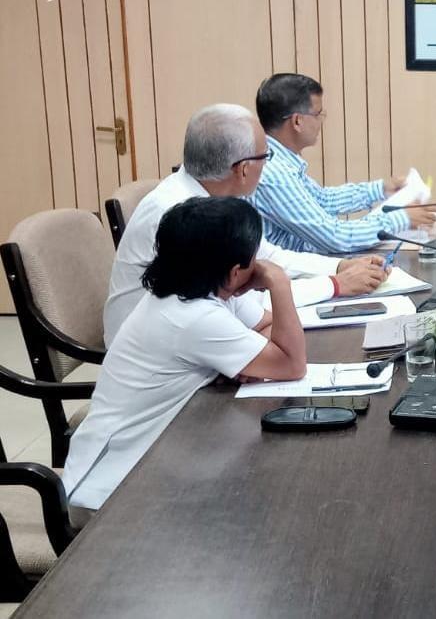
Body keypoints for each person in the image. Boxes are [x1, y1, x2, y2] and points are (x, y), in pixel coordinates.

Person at [64, 197, 306, 522]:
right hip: (109, 493)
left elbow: (265, 326)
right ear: (235, 272)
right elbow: (292, 364)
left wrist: (248, 359)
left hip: (154, 458)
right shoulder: (192, 316)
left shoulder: (192, 286)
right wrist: (279, 282)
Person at [103, 103, 387, 345]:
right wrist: (335, 285)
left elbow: (268, 257)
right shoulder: (186, 218)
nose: (267, 165)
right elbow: (242, 303)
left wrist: (340, 267)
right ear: (243, 169)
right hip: (157, 354)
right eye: (266, 156)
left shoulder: (211, 195)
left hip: (188, 335)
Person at [250, 74, 436, 253]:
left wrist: (381, 189)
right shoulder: (274, 173)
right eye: (318, 114)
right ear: (297, 121)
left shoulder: (281, 161)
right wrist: (401, 219)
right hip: (292, 272)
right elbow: (335, 237)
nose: (321, 121)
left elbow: (323, 200)